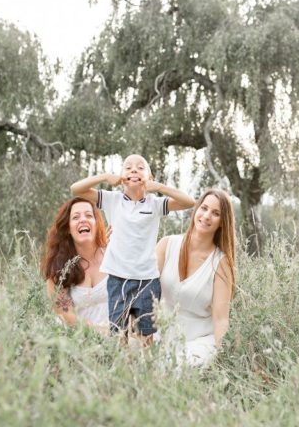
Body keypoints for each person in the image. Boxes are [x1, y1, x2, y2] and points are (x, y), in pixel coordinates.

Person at [70, 154, 195, 344]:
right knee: (120, 334)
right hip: (118, 279)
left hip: (147, 279)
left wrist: (159, 187)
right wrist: (104, 176)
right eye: (128, 167)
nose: (134, 170)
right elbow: (76, 189)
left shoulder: (155, 204)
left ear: (149, 177)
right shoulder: (112, 199)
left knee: (146, 336)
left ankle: (148, 370)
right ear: (121, 177)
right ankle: (124, 370)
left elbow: (189, 202)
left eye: (140, 167)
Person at [155, 189, 237, 367]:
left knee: (176, 368)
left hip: (198, 341)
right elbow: (144, 291)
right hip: (160, 332)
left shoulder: (221, 263)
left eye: (216, 213)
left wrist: (225, 359)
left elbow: (220, 319)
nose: (207, 216)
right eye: (204, 208)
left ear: (222, 222)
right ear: (196, 210)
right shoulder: (166, 245)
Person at [40, 197, 110, 331]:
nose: (83, 219)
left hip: (121, 339)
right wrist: (102, 332)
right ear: (68, 229)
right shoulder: (59, 269)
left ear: (96, 224)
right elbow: (66, 315)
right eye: (76, 217)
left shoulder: (113, 256)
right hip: (80, 342)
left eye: (89, 215)